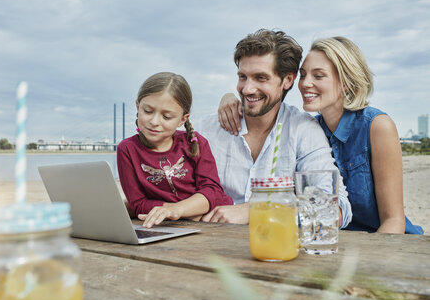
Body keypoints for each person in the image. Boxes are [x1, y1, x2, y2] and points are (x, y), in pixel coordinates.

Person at [219, 35, 423, 234]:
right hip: (327, 239)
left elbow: (393, 221)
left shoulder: (377, 126)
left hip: (383, 243)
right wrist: (231, 99)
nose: (305, 83)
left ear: (346, 82)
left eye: (318, 76)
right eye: (303, 74)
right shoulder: (309, 129)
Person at [194, 29, 352, 227]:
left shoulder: (303, 130)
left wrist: (258, 211)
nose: (247, 89)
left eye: (261, 78)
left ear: (287, 80)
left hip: (277, 251)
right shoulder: (206, 129)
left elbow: (335, 209)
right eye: (243, 77)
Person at [117, 72, 233, 228]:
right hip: (172, 224)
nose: (154, 121)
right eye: (148, 111)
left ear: (182, 119)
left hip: (213, 222)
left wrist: (178, 210)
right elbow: (138, 204)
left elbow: (212, 192)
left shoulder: (196, 143)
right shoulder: (127, 149)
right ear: (138, 106)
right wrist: (188, 212)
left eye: (167, 116)